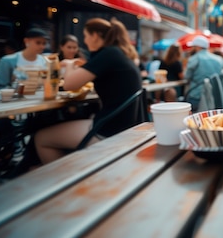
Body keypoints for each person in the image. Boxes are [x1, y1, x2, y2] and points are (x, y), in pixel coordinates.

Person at [34, 18, 142, 164]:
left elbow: (69, 84)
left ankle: (64, 182)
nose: (85, 41)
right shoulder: (119, 54)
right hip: (125, 127)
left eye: (85, 36)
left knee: (41, 138)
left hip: (109, 130)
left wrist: (70, 64)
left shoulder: (108, 54)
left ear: (95, 36)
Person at [184, 35, 223, 112]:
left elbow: (187, 77)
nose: (192, 49)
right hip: (214, 95)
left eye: (194, 46)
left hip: (196, 95)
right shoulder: (218, 59)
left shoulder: (194, 58)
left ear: (198, 47)